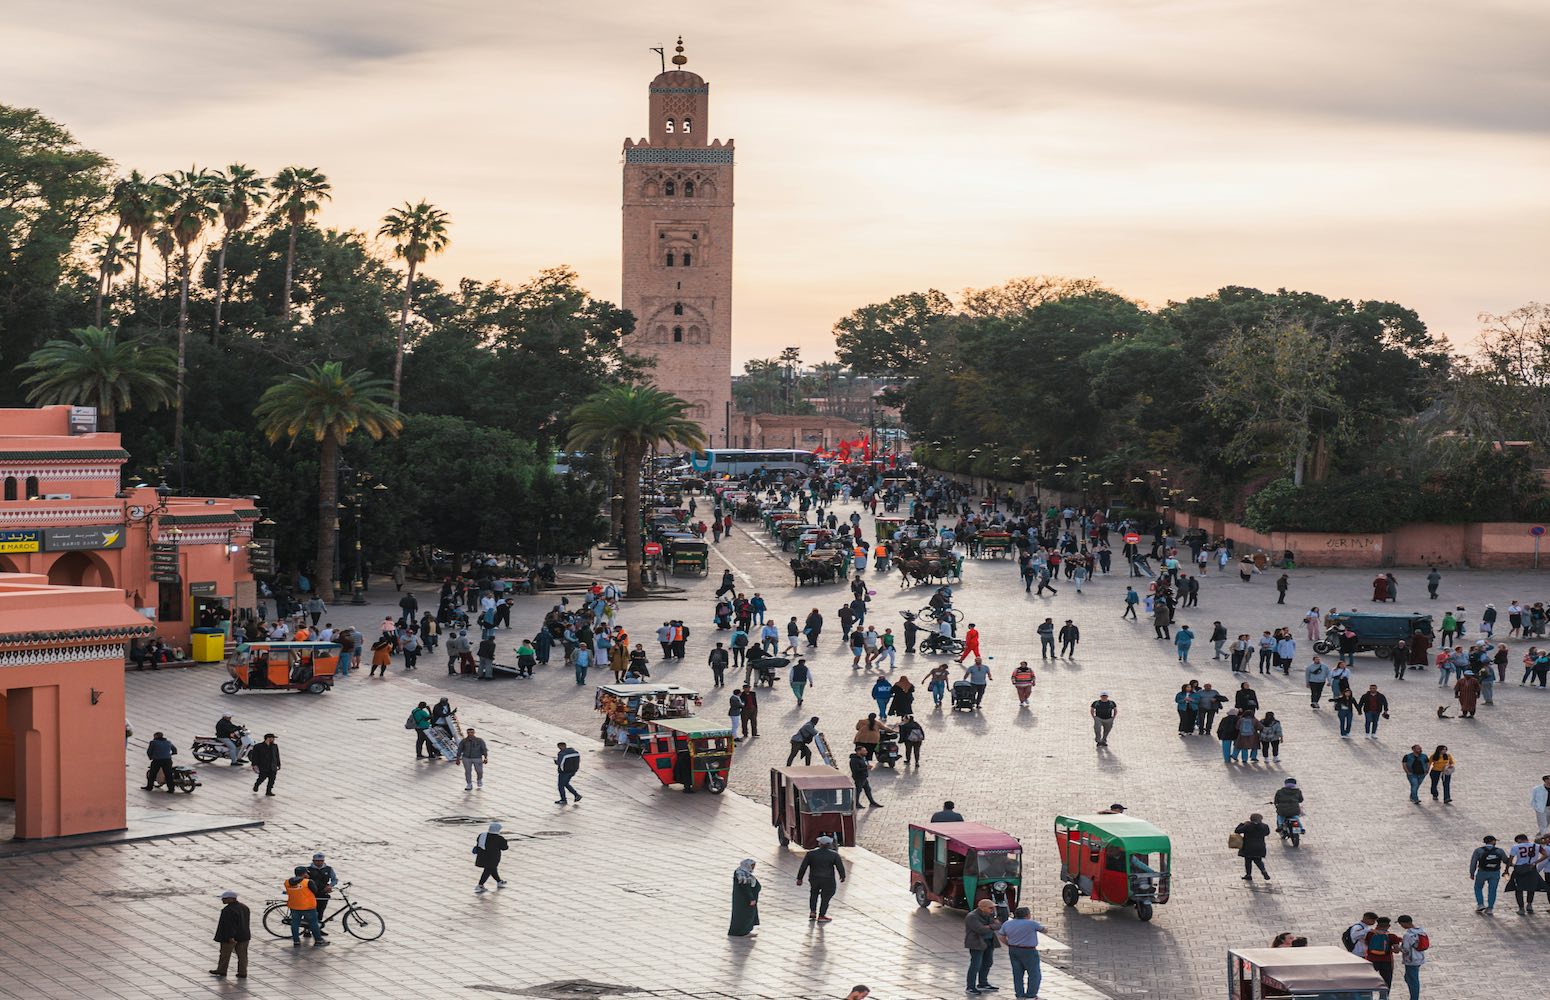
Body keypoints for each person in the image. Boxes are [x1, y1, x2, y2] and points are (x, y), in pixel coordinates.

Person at [997, 905, 1047, 1000]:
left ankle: (1019, 995)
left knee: (1017, 974)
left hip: (1013, 950)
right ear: (1027, 915)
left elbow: (1001, 936)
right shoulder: (1031, 923)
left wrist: (1009, 944)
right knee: (1034, 974)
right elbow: (1044, 930)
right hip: (1029, 951)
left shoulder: (1007, 924)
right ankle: (1031, 995)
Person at [796, 834, 847, 922]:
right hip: (828, 880)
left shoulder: (811, 854)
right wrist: (842, 876)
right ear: (829, 845)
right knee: (826, 897)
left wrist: (799, 878)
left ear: (820, 844)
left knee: (813, 894)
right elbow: (840, 867)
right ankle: (821, 915)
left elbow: (803, 867)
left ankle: (812, 911)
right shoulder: (834, 855)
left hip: (814, 878)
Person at [963, 898, 1003, 995]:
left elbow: (999, 925)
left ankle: (983, 983)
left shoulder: (990, 914)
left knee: (988, 962)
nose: (992, 910)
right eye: (990, 908)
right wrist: (991, 926)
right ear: (982, 908)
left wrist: (990, 926)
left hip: (989, 941)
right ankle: (970, 986)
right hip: (977, 943)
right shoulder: (972, 916)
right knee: (975, 965)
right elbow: (980, 929)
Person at [209, 889, 251, 978]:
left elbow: (229, 925)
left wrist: (230, 937)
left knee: (225, 954)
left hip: (230, 937)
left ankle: (222, 970)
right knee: (243, 955)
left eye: (224, 899)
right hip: (244, 935)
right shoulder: (244, 907)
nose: (222, 900)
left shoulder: (228, 910)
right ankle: (243, 972)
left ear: (231, 899)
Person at [284, 866, 328, 947]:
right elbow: (315, 891)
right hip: (308, 907)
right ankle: (318, 940)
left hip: (294, 906)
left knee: (295, 923)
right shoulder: (308, 882)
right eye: (306, 873)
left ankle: (296, 941)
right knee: (313, 923)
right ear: (304, 873)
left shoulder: (287, 882)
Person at [1470, 835, 1509, 913]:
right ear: (1493, 841)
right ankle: (1490, 908)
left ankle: (1480, 904)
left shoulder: (1478, 850)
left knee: (1478, 888)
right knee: (1492, 890)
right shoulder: (1499, 851)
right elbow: (1506, 860)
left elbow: (1473, 862)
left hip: (1482, 872)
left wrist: (1472, 873)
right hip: (1495, 873)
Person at [1362, 917, 1401, 990]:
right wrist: (1390, 950)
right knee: (1386, 981)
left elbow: (1365, 944)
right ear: (1388, 926)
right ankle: (1384, 997)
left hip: (1372, 960)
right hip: (1386, 961)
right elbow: (1396, 950)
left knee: (1369, 981)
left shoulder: (1370, 934)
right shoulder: (1392, 936)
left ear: (1378, 925)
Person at [1396, 915, 1428, 1000]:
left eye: (1401, 924)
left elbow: (1405, 949)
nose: (1401, 926)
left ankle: (1414, 998)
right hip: (1419, 958)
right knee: (1408, 977)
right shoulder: (1421, 931)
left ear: (1404, 923)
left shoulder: (1408, 935)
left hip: (1411, 960)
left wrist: (1397, 948)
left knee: (1413, 980)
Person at [472, 821, 507, 892]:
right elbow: (504, 848)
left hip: (482, 856)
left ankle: (499, 881)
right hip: (493, 857)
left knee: (492, 869)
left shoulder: (482, 835)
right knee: (488, 870)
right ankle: (480, 885)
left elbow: (478, 842)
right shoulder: (499, 838)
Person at [728, 859, 760, 936]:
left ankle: (746, 930)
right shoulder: (741, 874)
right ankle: (741, 931)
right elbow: (745, 888)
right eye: (752, 866)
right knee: (743, 916)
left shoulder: (745, 873)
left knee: (748, 915)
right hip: (744, 901)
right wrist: (751, 898)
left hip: (745, 900)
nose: (753, 868)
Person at [1235, 813, 1271, 881]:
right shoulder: (1265, 826)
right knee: (1258, 860)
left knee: (1248, 861)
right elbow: (1267, 833)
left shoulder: (1247, 826)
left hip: (1248, 847)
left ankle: (1248, 875)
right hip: (1260, 847)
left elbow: (1237, 831)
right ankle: (1263, 871)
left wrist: (1242, 824)